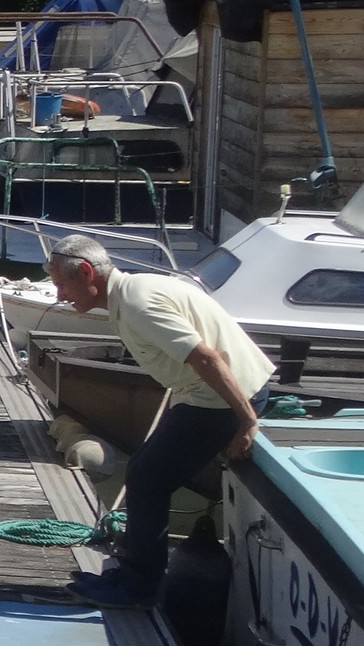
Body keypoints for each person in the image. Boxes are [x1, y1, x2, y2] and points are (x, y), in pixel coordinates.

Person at [46, 232, 273, 607]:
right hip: (206, 394)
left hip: (223, 399)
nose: (59, 295)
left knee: (147, 478)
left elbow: (208, 359)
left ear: (87, 272)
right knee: (146, 473)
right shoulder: (134, 289)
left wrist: (246, 421)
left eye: (62, 284)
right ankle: (135, 570)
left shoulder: (137, 304)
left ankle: (139, 587)